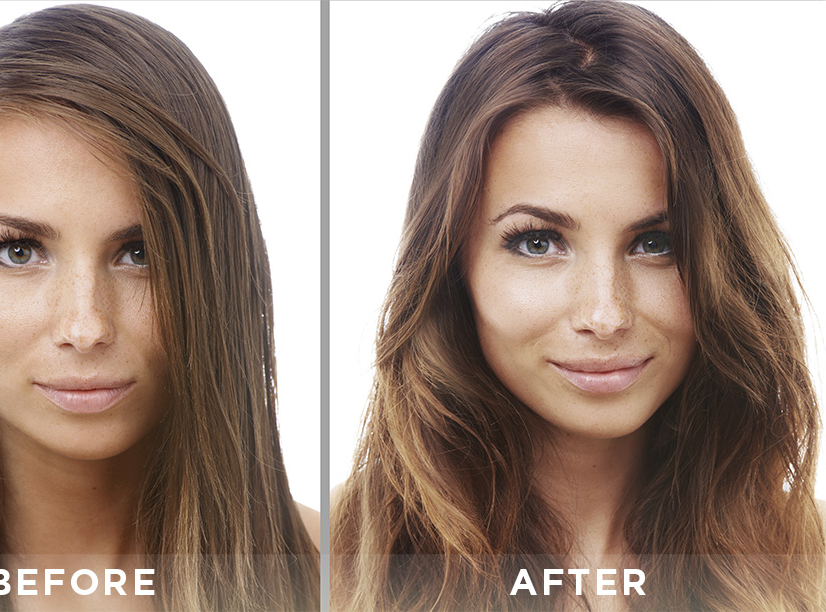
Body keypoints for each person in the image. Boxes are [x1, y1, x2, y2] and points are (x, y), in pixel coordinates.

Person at [329, 1, 825, 610]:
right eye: (538, 242)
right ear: (454, 265)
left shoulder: (809, 563)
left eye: (656, 243)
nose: (606, 313)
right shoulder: (323, 559)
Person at [0, 4, 319, 611]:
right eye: (17, 251)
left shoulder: (362, 582)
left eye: (141, 253)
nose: (86, 327)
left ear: (218, 271)